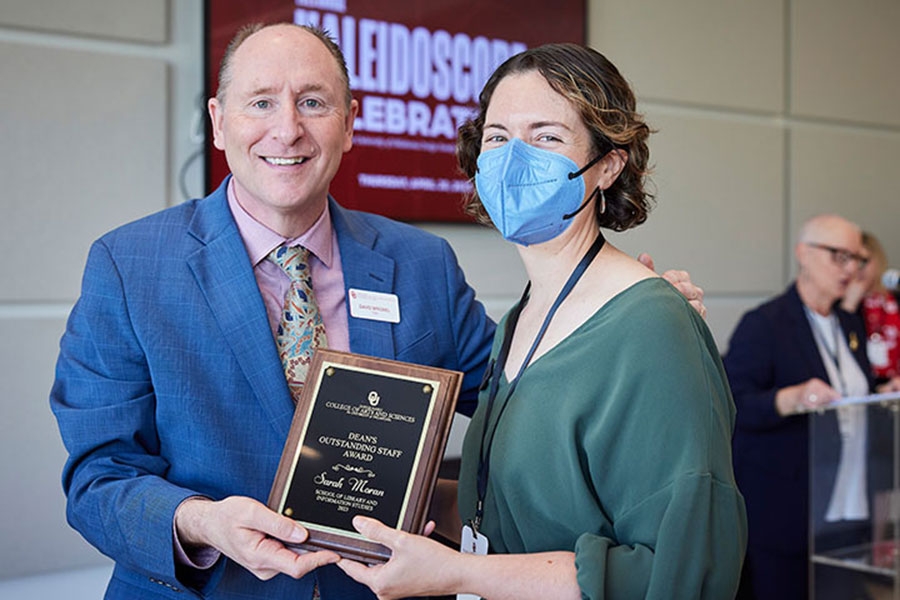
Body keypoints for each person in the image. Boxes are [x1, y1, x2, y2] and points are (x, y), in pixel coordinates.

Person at [49, 23, 707, 600]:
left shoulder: (419, 261)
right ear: (220, 121)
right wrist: (199, 521)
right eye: (261, 103)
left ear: (350, 121)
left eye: (313, 102)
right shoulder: (129, 265)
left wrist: (615, 319)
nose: (288, 129)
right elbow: (98, 477)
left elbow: (517, 394)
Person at [336, 42, 747, 600]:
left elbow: (677, 572)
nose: (512, 158)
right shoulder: (520, 321)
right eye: (499, 137)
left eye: (547, 137)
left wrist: (461, 573)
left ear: (607, 165)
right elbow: (519, 506)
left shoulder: (653, 328)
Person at [723, 215, 900, 599]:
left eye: (857, 258)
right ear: (804, 253)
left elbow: (850, 392)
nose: (851, 268)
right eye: (840, 256)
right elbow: (731, 404)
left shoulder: (849, 323)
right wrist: (790, 398)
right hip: (787, 513)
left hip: (849, 507)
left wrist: (884, 391)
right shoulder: (765, 324)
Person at [842, 232, 900, 381]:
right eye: (850, 261)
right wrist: (849, 306)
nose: (857, 269)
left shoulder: (894, 299)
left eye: (863, 261)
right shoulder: (839, 304)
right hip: (862, 387)